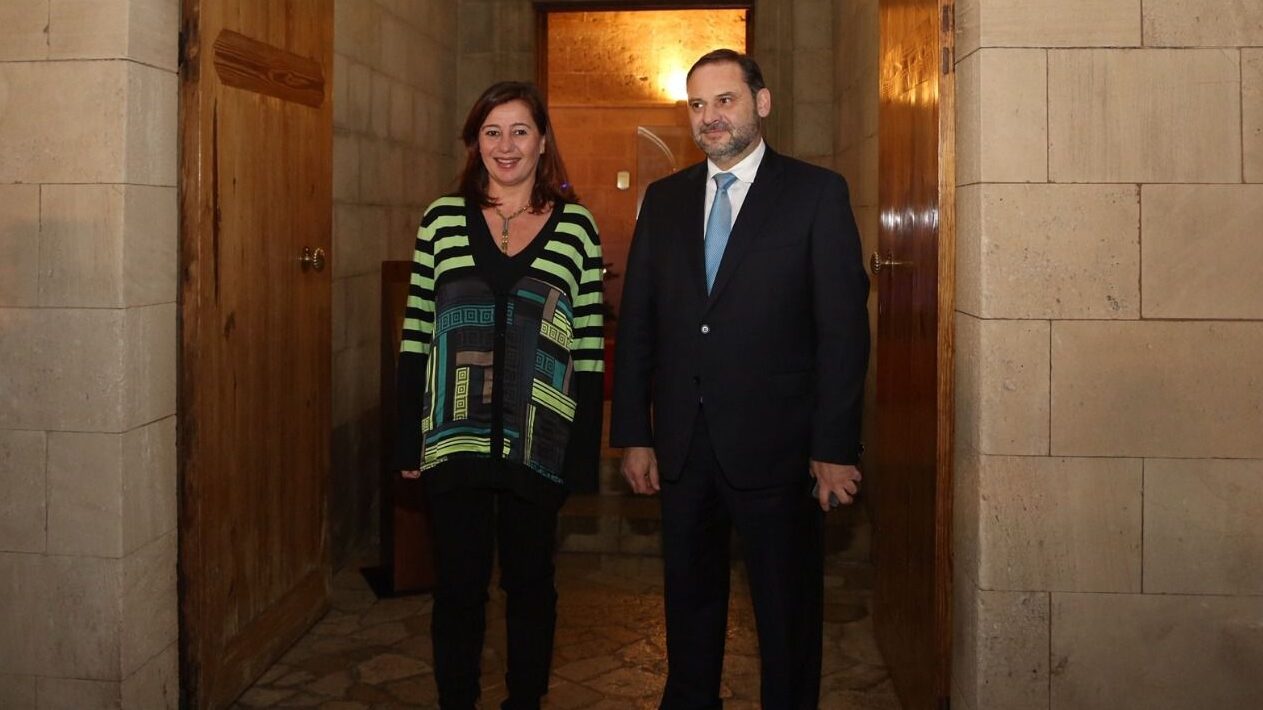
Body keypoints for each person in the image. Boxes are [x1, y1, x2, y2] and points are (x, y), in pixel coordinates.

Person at [611, 49, 870, 708]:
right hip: (683, 446)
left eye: (723, 100)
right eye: (696, 105)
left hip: (780, 450)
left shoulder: (815, 194)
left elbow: (841, 332)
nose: (709, 118)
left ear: (761, 102)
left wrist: (834, 447)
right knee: (688, 606)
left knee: (786, 617)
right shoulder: (663, 202)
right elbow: (637, 322)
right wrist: (633, 434)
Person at [392, 81, 604, 710]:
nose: (505, 146)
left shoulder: (577, 229)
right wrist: (409, 435)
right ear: (474, 142)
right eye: (492, 131)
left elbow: (587, 348)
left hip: (540, 439)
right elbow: (415, 334)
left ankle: (524, 701)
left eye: (519, 131)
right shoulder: (441, 220)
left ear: (542, 142)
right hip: (449, 435)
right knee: (458, 586)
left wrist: (583, 455)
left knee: (531, 583)